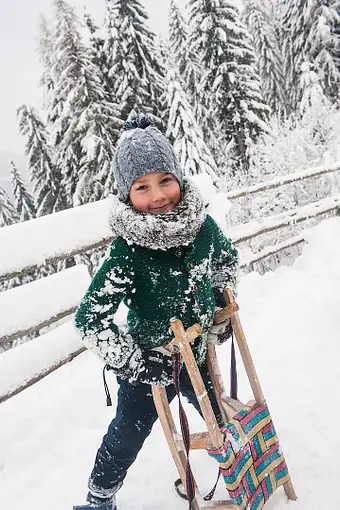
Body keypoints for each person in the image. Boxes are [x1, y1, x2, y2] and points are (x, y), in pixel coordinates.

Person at [73, 117, 239, 510]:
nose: (159, 194)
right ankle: (100, 495)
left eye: (165, 180)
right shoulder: (128, 252)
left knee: (220, 418)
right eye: (142, 187)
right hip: (151, 366)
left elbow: (226, 261)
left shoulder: (202, 227)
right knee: (127, 435)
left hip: (197, 357)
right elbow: (89, 320)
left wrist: (219, 302)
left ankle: (236, 471)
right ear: (127, 195)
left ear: (179, 178)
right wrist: (133, 360)